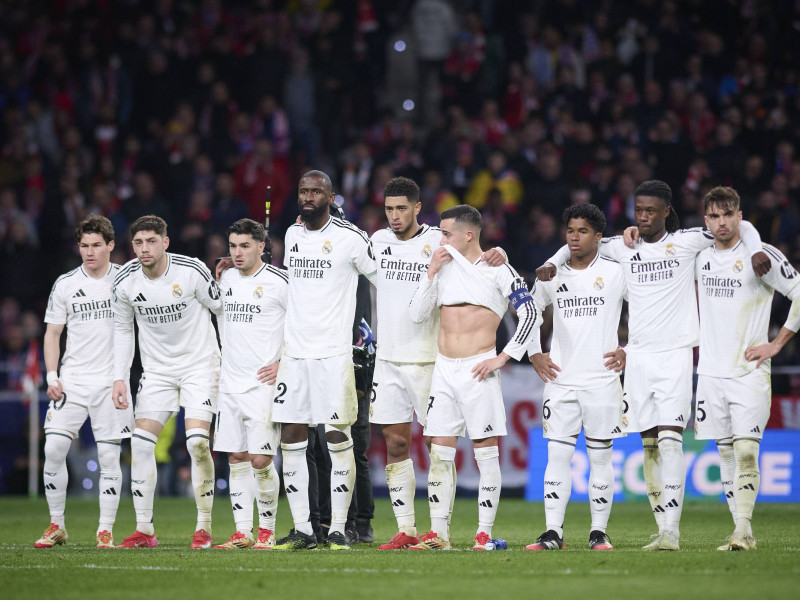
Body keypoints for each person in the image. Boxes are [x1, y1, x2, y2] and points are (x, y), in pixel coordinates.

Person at [536, 180, 770, 551]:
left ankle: (673, 532)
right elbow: (576, 243)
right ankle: (662, 530)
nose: (643, 217)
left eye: (650, 211)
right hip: (639, 359)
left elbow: (740, 227)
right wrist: (551, 263)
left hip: (676, 354)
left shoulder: (689, 241)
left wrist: (756, 250)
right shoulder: (621, 246)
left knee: (671, 441)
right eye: (638, 210)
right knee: (648, 447)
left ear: (665, 211)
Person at [370, 176, 507, 549]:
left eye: (402, 208)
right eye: (389, 209)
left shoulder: (438, 240)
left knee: (438, 444)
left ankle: (443, 529)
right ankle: (408, 529)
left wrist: (501, 255)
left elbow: (476, 256)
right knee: (395, 442)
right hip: (388, 358)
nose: (394, 216)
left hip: (432, 359)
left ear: (417, 208)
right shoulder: (376, 242)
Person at [407, 204, 537, 550]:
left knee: (485, 452)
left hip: (478, 369)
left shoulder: (499, 269)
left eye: (446, 233)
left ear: (468, 235)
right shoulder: (443, 266)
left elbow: (530, 313)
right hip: (444, 369)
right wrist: (431, 272)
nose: (440, 238)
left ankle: (483, 533)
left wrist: (502, 358)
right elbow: (417, 315)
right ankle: (439, 534)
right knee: (439, 451)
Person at [271, 170, 377, 551]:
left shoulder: (350, 239)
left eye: (316, 191)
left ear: (331, 197)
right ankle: (303, 529)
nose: (308, 196)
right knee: (292, 438)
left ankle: (337, 529)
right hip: (295, 354)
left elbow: (383, 277)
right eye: (303, 190)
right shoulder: (292, 234)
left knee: (337, 438)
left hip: (333, 354)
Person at [694, 187, 800, 551]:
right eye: (714, 216)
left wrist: (776, 343)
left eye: (728, 215)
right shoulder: (700, 255)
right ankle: (741, 530)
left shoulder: (761, 255)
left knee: (745, 453)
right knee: (725, 454)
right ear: (706, 221)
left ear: (739, 216)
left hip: (750, 370)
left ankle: (743, 528)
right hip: (710, 372)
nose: (722, 222)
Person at [111, 215, 222, 549]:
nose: (145, 249)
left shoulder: (191, 271)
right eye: (138, 243)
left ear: (166, 242)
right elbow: (122, 330)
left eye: (151, 241)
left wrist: (234, 360)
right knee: (141, 443)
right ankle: (144, 529)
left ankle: (203, 528)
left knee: (197, 443)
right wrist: (119, 376)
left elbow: (222, 310)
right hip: (157, 373)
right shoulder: (125, 282)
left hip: (199, 365)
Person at [523, 204, 626, 552]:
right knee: (557, 457)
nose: (574, 236)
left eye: (582, 231)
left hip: (603, 380)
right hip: (561, 380)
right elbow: (529, 312)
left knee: (600, 458)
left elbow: (645, 308)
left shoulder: (616, 272)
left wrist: (631, 348)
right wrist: (535, 352)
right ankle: (553, 532)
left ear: (598, 236)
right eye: (570, 230)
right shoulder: (551, 276)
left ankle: (599, 532)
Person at [35, 215, 133, 549]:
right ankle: (56, 525)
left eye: (96, 245)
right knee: (53, 449)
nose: (89, 252)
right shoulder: (65, 284)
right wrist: (51, 375)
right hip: (72, 381)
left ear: (110, 245)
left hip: (111, 383)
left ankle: (105, 530)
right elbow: (52, 333)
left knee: (109, 458)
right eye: (83, 246)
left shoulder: (126, 279)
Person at [212, 219, 287, 550]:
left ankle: (267, 531)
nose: (237, 252)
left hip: (262, 384)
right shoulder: (226, 278)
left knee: (260, 460)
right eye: (232, 246)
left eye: (244, 245)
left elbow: (302, 323)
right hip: (229, 382)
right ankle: (243, 531)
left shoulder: (279, 282)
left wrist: (284, 363)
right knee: (236, 458)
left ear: (261, 246)